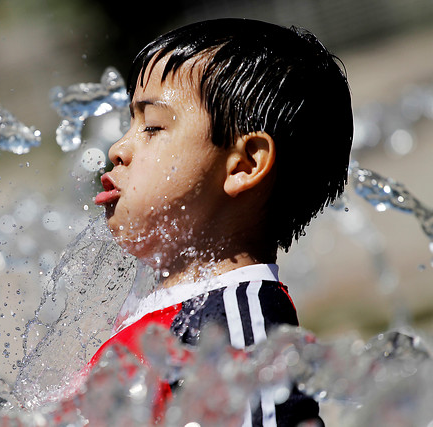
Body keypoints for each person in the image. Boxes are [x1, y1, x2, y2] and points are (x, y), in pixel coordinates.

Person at [89, 18, 353, 426]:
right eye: (130, 124)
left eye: (153, 127)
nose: (118, 148)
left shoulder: (235, 322)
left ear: (244, 165)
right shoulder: (177, 308)